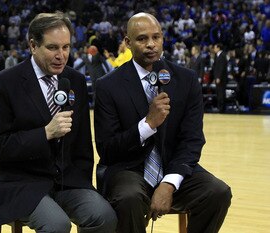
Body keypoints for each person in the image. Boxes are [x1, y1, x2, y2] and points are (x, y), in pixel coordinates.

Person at [94, 12, 231, 233]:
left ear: (162, 39)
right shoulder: (108, 86)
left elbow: (192, 139)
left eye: (156, 37)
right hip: (129, 168)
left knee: (217, 192)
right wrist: (147, 125)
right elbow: (107, 149)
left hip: (174, 166)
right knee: (129, 198)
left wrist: (169, 182)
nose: (151, 45)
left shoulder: (186, 80)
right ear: (128, 43)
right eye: (142, 39)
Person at [0, 12, 117, 233]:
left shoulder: (75, 81)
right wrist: (44, 133)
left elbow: (83, 143)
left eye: (66, 47)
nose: (61, 56)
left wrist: (83, 183)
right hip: (21, 183)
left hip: (67, 181)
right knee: (57, 224)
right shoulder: (4, 83)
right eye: (53, 48)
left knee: (103, 215)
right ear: (33, 45)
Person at [211, 43, 228, 113]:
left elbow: (221, 68)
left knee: (221, 93)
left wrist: (218, 77)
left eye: (215, 47)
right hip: (217, 78)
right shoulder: (217, 56)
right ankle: (219, 107)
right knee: (218, 93)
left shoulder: (222, 56)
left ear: (218, 48)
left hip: (221, 79)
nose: (214, 49)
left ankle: (222, 109)